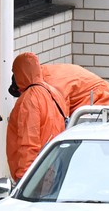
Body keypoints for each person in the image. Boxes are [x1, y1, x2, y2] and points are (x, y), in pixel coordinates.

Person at [6, 52, 69, 182]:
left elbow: (29, 141)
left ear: (19, 73)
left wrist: (24, 177)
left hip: (38, 171)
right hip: (55, 163)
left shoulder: (29, 99)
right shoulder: (53, 92)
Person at [38, 63, 109, 115]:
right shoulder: (45, 71)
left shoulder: (54, 84)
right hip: (93, 94)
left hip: (100, 98)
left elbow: (59, 115)